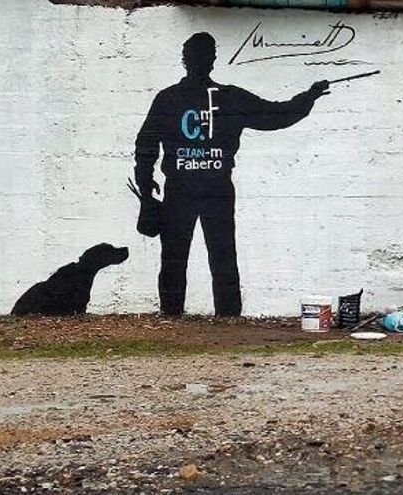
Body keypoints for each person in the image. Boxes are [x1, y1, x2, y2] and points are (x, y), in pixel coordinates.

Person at [134, 32, 329, 317]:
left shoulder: (174, 99)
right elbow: (276, 115)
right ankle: (222, 318)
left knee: (188, 257)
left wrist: (146, 182)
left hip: (191, 190)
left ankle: (179, 317)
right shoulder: (223, 99)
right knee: (215, 256)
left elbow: (145, 145)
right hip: (202, 190)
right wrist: (308, 98)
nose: (201, 61)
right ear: (209, 60)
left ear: (186, 60)